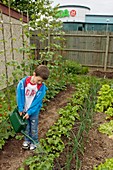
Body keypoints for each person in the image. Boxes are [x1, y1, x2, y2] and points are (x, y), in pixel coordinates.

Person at [16, 65, 50, 150]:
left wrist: (29, 112)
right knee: (26, 126)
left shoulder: (41, 88)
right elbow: (19, 96)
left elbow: (37, 102)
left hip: (33, 112)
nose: (39, 83)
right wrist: (20, 108)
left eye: (41, 81)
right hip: (24, 110)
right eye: (38, 80)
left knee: (33, 127)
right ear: (34, 74)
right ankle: (27, 140)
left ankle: (34, 142)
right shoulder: (23, 83)